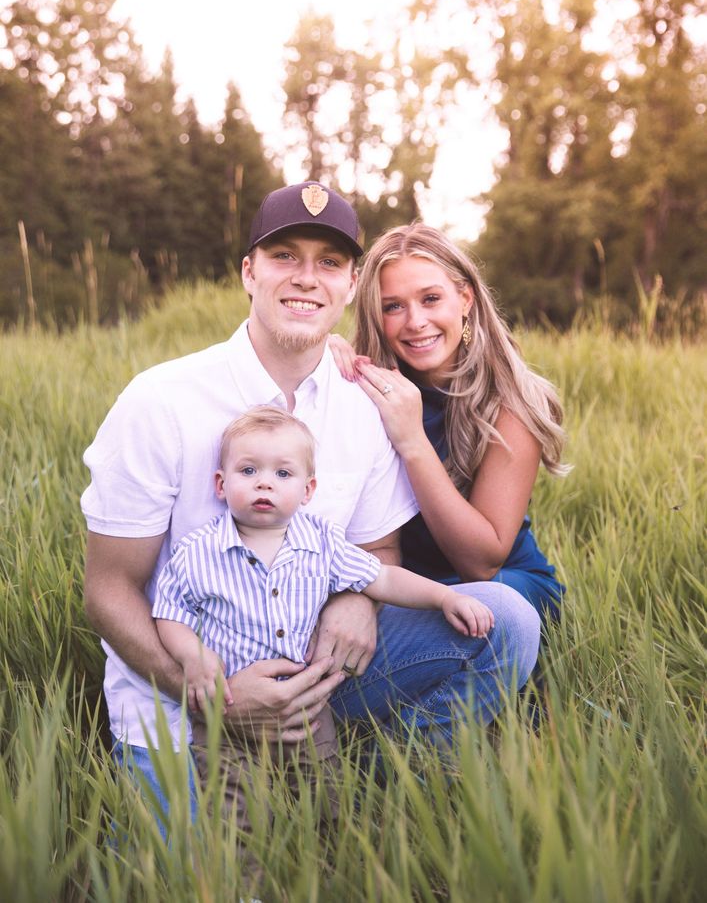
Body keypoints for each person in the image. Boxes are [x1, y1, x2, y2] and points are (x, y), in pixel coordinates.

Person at [81, 181, 541, 832]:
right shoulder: (160, 401)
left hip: (316, 676)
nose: (305, 278)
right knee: (203, 884)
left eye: (327, 262)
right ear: (249, 271)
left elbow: (377, 549)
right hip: (183, 689)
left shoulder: (363, 407)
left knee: (506, 622)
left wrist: (355, 600)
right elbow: (107, 589)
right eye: (283, 257)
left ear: (350, 284)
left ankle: (369, 798)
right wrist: (217, 699)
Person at [152, 405, 494, 831]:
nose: (264, 482)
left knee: (326, 800)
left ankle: (326, 862)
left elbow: (382, 578)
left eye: (283, 474)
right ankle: (246, 887)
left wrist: (443, 597)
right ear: (221, 485)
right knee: (233, 813)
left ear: (308, 489)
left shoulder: (323, 543)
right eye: (248, 470)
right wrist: (193, 656)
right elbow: (169, 613)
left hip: (312, 713)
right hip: (231, 717)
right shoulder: (198, 552)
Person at [330, 222, 566, 623]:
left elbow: (481, 563)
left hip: (499, 589)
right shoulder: (367, 386)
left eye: (431, 299)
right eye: (393, 306)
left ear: (465, 299)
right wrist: (322, 351)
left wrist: (413, 441)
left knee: (490, 606)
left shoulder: (512, 403)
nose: (415, 321)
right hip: (402, 584)